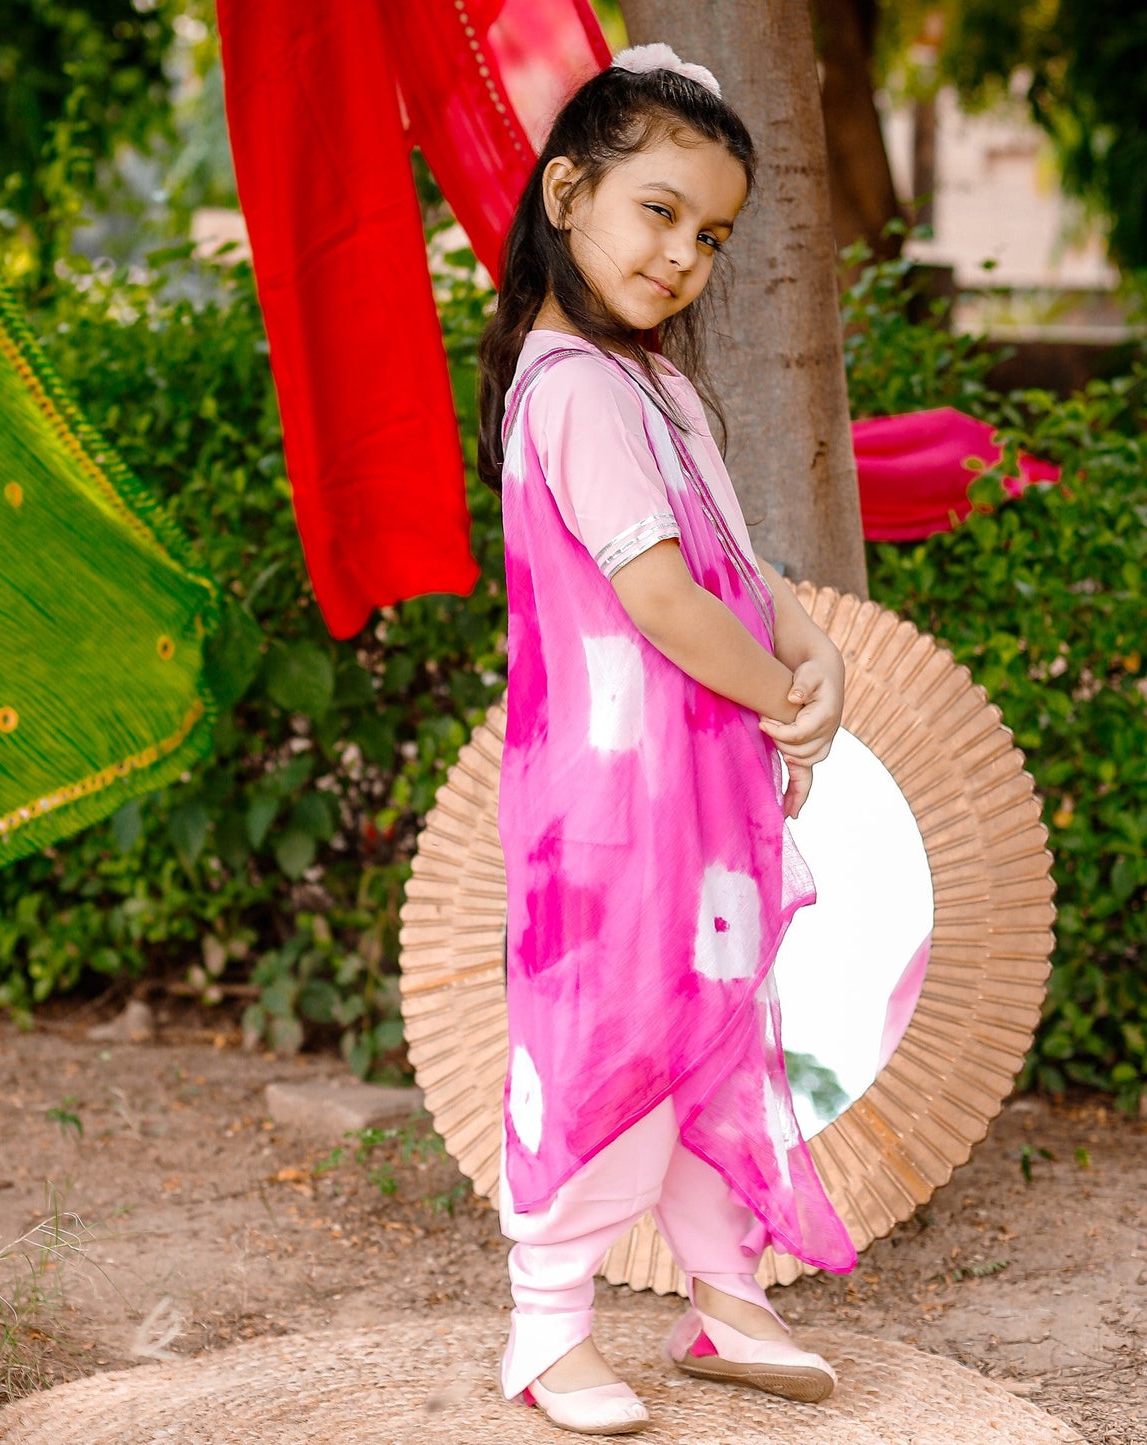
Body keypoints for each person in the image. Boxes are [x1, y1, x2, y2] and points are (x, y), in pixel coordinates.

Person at [476, 43, 860, 1435]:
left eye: (709, 233)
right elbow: (647, 594)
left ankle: (725, 1289)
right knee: (615, 1038)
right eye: (657, 211)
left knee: (709, 1024)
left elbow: (731, 562)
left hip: (688, 798)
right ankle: (548, 1322)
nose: (683, 252)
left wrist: (802, 648)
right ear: (567, 191)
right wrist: (767, 692)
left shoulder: (656, 386)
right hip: (610, 799)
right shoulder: (568, 384)